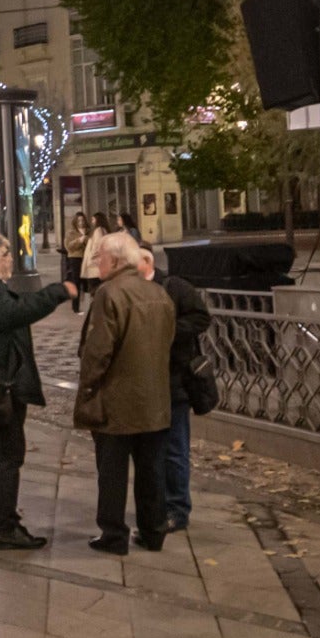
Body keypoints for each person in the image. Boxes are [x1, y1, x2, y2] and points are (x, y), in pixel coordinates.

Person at [0, 231, 77, 548]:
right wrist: (57, 292)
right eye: (7, 253)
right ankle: (4, 527)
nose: (11, 257)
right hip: (0, 390)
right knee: (6, 458)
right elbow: (18, 312)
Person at [76, 231, 177, 554]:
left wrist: (88, 386)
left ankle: (114, 535)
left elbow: (98, 351)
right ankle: (153, 531)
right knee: (151, 472)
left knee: (113, 473)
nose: (96, 262)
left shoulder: (109, 294)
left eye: (100, 257)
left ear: (116, 261)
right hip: (155, 401)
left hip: (117, 400)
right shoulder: (158, 294)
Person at [140, 247, 208, 533]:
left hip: (175, 380)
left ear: (146, 261)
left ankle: (178, 508)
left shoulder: (174, 287)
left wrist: (166, 329)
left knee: (175, 449)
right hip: (146, 382)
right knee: (152, 450)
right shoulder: (130, 290)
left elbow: (201, 318)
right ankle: (158, 504)